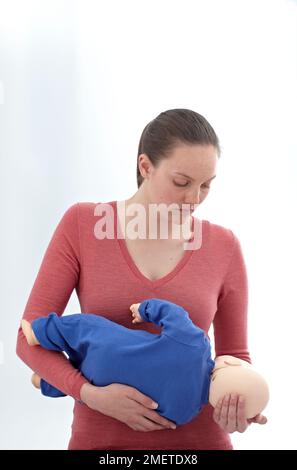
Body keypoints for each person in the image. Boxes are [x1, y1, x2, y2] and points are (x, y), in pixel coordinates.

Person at [16, 108, 267, 450]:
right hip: (101, 443)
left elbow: (234, 356)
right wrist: (89, 395)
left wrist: (237, 403)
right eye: (182, 182)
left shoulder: (223, 246)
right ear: (146, 166)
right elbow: (27, 337)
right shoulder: (82, 225)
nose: (194, 199)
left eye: (206, 185)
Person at [21, 298, 216, 426]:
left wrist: (143, 309)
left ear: (227, 364)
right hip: (103, 383)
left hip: (107, 346)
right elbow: (160, 422)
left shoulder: (198, 346)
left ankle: (39, 332)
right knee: (82, 372)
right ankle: (44, 382)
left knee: (83, 326)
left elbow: (173, 315)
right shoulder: (187, 413)